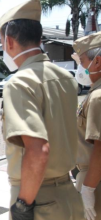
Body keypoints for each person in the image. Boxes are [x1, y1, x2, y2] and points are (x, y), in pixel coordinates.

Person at [0, 1, 85, 219]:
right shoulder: (65, 77)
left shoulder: (20, 83)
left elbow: (38, 151)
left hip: (38, 200)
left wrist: (23, 205)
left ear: (8, 41)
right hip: (69, 194)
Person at [73, 32, 101, 220]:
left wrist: (88, 189)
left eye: (81, 61)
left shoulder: (98, 97)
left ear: (97, 62)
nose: (80, 67)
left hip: (94, 180)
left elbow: (99, 147)